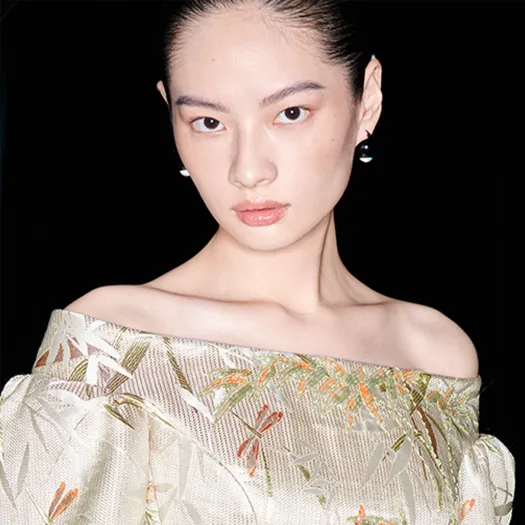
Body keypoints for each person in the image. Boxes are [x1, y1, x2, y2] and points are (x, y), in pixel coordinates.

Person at [0, 1, 514, 523]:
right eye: (208, 122)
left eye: (290, 113)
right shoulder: (112, 347)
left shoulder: (433, 356)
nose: (247, 170)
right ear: (170, 113)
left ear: (368, 99)